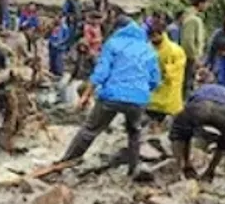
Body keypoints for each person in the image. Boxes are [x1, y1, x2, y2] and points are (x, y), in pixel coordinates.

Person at [60, 17, 161, 177]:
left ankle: (66, 162)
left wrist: (86, 95)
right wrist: (142, 92)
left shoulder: (113, 44)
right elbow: (155, 79)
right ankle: (133, 169)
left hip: (112, 96)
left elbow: (101, 73)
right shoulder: (148, 49)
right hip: (138, 99)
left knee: (89, 130)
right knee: (134, 132)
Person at [170, 81, 225, 189]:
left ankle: (180, 168)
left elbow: (186, 134)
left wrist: (187, 162)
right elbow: (222, 146)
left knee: (179, 134)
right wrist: (211, 169)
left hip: (200, 106)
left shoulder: (201, 89)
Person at [146, 22, 186, 127]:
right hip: (152, 91)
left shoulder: (174, 50)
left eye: (155, 35)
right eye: (151, 36)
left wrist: (168, 72)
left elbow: (178, 68)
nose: (154, 39)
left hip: (168, 89)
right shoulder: (148, 49)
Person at [180, 0, 209, 96]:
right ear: (201, 4)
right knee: (188, 84)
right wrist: (195, 57)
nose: (207, 6)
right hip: (189, 58)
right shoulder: (192, 19)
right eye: (206, 3)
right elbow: (188, 41)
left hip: (191, 57)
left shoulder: (192, 17)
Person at [46, 17, 76, 82]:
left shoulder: (64, 27)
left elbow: (67, 37)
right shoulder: (52, 26)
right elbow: (49, 34)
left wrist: (60, 42)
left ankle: (59, 73)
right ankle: (52, 71)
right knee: (52, 59)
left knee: (58, 60)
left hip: (60, 46)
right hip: (52, 45)